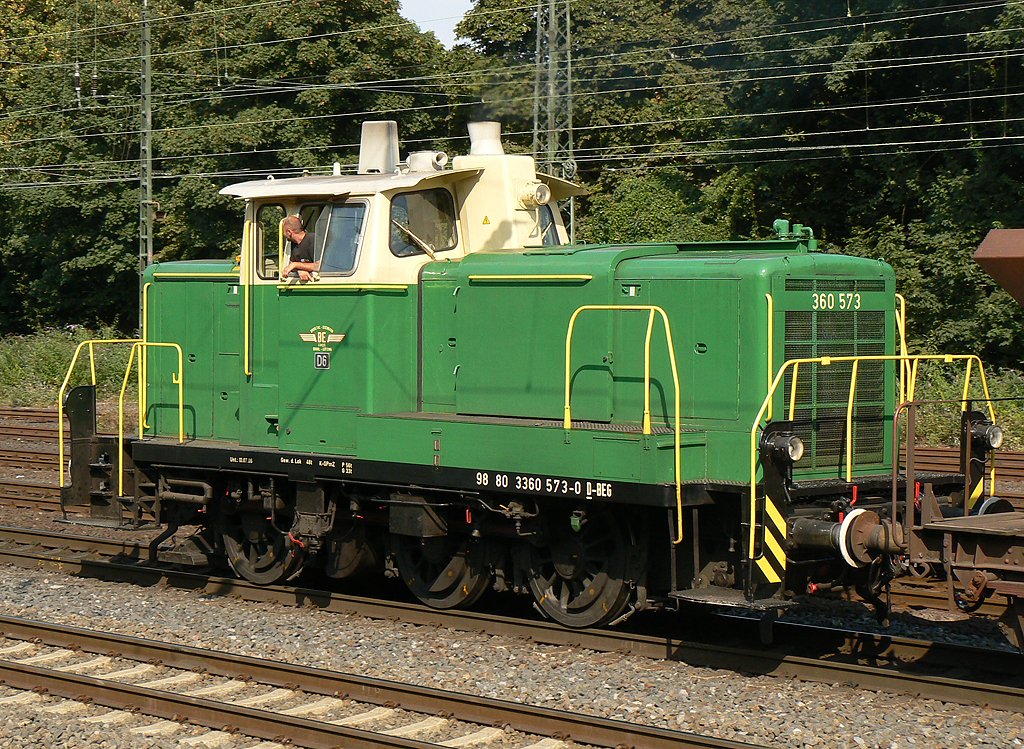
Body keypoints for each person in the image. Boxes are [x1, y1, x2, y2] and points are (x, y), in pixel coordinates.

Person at [281, 215, 318, 281]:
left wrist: (296, 265)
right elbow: (290, 265)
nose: (284, 235)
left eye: (284, 232)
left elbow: (319, 266)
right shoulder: (294, 243)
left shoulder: (313, 240)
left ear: (289, 232)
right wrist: (299, 270)